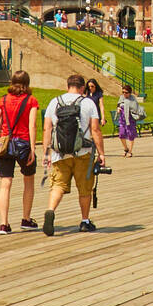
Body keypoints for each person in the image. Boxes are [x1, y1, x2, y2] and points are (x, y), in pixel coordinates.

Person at [43, 73, 106, 234]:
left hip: (60, 153)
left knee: (58, 185)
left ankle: (50, 210)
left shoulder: (54, 102)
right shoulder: (88, 103)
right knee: (85, 188)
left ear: (67, 85)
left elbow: (47, 129)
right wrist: (101, 153)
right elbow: (95, 130)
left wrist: (46, 153)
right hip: (83, 152)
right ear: (83, 87)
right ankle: (85, 220)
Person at [0, 70, 39, 235]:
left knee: (6, 183)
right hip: (24, 144)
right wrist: (33, 149)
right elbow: (32, 126)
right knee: (28, 181)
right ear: (27, 82)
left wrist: (3, 131)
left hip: (5, 145)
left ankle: (3, 224)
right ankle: (26, 218)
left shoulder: (3, 100)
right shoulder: (31, 100)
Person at [115, 82, 144, 157]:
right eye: (123, 92)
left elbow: (135, 108)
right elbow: (118, 104)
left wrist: (127, 108)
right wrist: (118, 108)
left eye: (126, 92)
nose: (124, 94)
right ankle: (126, 149)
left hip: (130, 119)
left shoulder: (133, 99)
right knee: (121, 134)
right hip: (122, 119)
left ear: (130, 93)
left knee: (130, 135)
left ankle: (130, 151)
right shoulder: (121, 98)